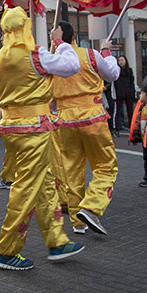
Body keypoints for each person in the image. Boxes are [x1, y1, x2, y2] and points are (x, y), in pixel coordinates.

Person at [0, 8, 82, 271]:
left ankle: (57, 241)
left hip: (11, 127)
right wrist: (61, 43)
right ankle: (6, 250)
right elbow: (71, 66)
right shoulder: (35, 54)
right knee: (27, 187)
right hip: (34, 129)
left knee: (45, 184)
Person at [51, 21, 121, 237]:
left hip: (64, 120)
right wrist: (107, 51)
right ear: (73, 37)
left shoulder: (51, 60)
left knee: (71, 170)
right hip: (92, 117)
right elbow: (113, 74)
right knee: (106, 166)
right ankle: (91, 206)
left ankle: (77, 222)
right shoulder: (90, 54)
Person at [111, 57, 135, 136]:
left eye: (122, 60)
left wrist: (132, 92)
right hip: (120, 92)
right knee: (118, 110)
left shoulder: (129, 70)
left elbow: (132, 82)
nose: (121, 62)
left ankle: (132, 128)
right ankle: (116, 128)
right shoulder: (117, 70)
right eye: (119, 60)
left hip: (128, 90)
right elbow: (115, 82)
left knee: (130, 111)